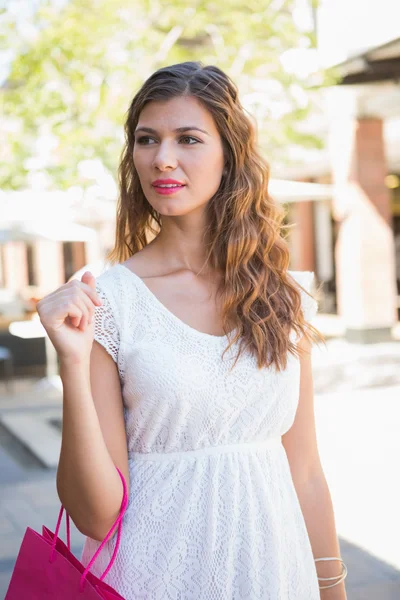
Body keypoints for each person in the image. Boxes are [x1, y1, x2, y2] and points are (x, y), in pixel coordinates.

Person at [37, 62, 347, 599]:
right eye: (147, 139)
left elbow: (307, 472)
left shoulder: (285, 295)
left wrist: (333, 589)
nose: (163, 158)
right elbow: (94, 514)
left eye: (189, 139)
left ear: (229, 154)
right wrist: (70, 362)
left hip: (274, 575)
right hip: (154, 577)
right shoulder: (109, 303)